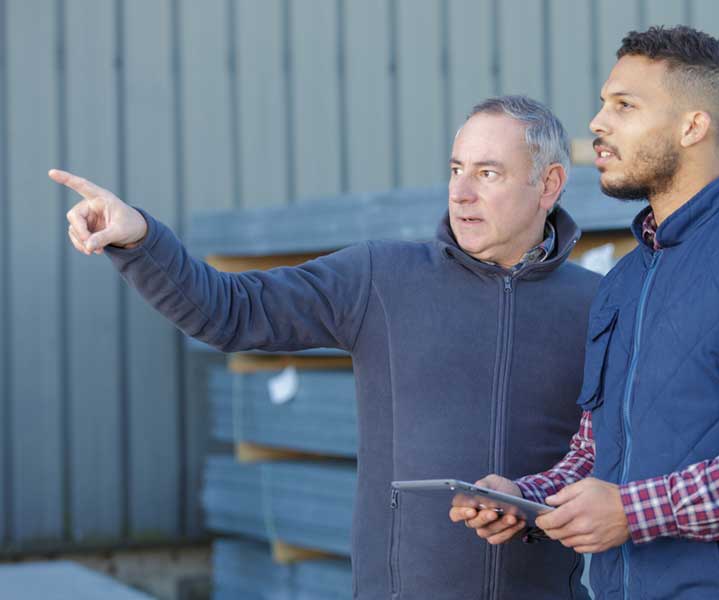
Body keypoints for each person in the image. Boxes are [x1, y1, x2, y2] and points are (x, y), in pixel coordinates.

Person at [51, 95, 598, 599]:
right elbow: (230, 310)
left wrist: (538, 504)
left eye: (487, 173)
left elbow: (616, 458)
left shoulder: (598, 305)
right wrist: (140, 239)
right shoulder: (380, 278)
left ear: (548, 184)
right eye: (456, 170)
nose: (460, 192)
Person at [452, 27, 719, 599]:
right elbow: (598, 455)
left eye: (624, 106)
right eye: (601, 104)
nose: (596, 123)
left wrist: (634, 511)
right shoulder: (623, 282)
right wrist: (525, 499)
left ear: (693, 126)